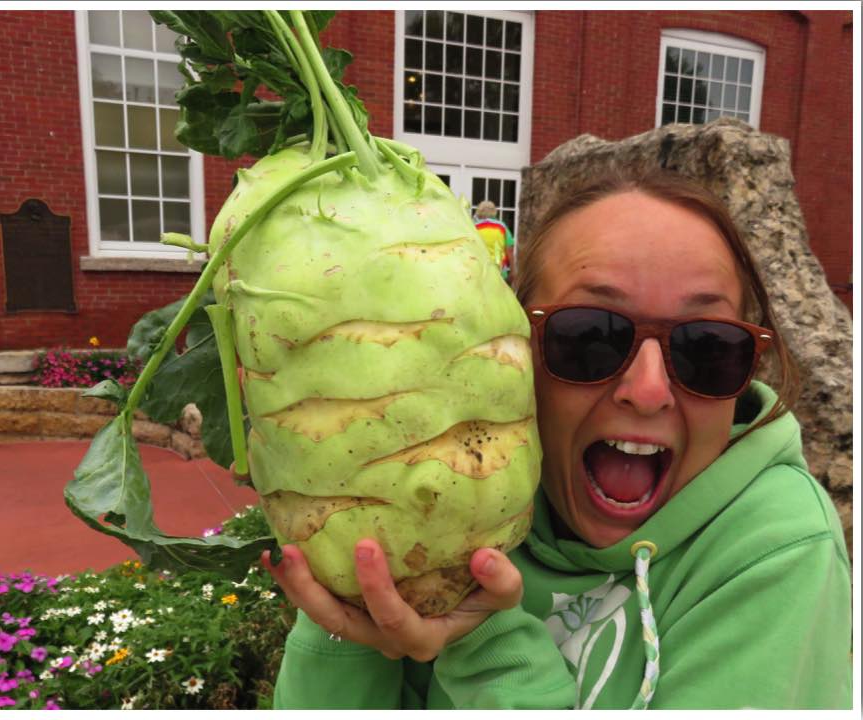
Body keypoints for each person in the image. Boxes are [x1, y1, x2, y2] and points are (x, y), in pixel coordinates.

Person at [260, 166, 852, 709]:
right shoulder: (445, 497)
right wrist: (353, 596)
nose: (648, 391)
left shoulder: (777, 547)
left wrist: (481, 633)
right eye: (591, 336)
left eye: (708, 347)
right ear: (511, 349)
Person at [474, 200, 515, 283]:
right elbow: (510, 249)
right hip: (499, 270)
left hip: (480, 270)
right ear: (494, 212)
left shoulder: (474, 227)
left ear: (479, 212)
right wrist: (513, 271)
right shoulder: (502, 227)